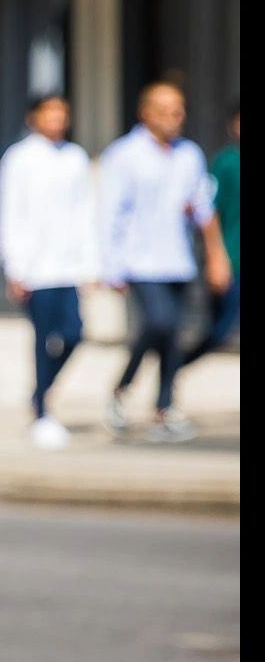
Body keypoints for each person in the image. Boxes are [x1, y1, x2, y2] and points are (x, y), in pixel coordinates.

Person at [100, 81, 235, 442]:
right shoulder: (125, 155)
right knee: (160, 322)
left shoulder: (189, 155)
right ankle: (123, 386)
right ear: (146, 113)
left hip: (178, 258)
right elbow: (110, 213)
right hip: (139, 259)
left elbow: (204, 209)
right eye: (165, 110)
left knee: (173, 335)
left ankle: (164, 407)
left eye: (178, 110)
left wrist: (217, 256)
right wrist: (109, 266)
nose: (175, 117)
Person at [0, 93, 97, 449]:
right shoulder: (19, 158)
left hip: (67, 266)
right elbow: (10, 213)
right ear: (33, 117)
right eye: (49, 112)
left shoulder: (75, 157)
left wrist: (91, 263)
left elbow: (85, 212)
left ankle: (41, 391)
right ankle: (42, 411)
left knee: (74, 333)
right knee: (43, 338)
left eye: (61, 112)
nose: (56, 119)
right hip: (35, 268)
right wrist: (14, 266)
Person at [180, 99, 240, 367]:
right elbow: (208, 211)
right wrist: (216, 257)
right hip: (233, 259)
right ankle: (174, 367)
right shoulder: (226, 164)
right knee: (219, 330)